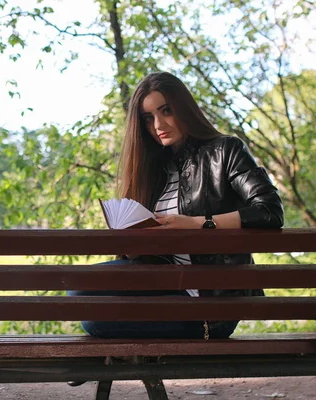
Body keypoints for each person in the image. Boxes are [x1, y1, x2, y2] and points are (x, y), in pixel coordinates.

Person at [68, 71, 284, 343]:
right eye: (148, 118)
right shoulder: (154, 170)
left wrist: (196, 224)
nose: (158, 124)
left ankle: (92, 360)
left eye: (166, 111)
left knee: (94, 320)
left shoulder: (225, 151)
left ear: (184, 108)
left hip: (211, 307)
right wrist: (135, 248)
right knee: (77, 287)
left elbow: (270, 211)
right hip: (166, 292)